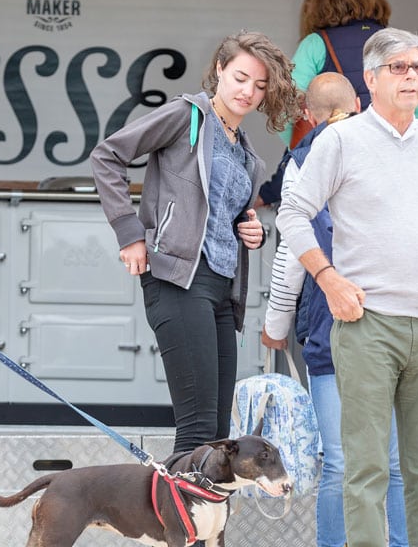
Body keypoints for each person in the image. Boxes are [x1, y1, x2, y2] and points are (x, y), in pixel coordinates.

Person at [276, 27, 418, 547]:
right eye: (398, 67)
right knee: (365, 471)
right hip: (365, 326)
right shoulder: (340, 140)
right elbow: (293, 214)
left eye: (417, 67)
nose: (411, 75)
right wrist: (328, 278)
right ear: (369, 79)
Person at [90, 31, 300, 454]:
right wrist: (130, 233)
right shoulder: (187, 116)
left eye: (260, 86)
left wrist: (250, 230)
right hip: (177, 279)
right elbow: (107, 156)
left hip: (221, 290)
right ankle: (175, 520)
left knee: (219, 435)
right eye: (241, 77)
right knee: (198, 430)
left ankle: (206, 522)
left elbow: (222, 213)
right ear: (219, 69)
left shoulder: (245, 151)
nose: (248, 92)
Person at [261, 72, 362, 547]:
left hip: (329, 324)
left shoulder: (301, 161)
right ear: (358, 102)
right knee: (391, 461)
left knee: (338, 460)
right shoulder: (385, 147)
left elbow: (291, 255)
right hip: (393, 320)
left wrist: (275, 325)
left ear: (306, 114)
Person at [283, 0, 418, 147]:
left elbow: (285, 110)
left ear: (320, 0)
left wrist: (305, 150)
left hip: (340, 158)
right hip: (392, 156)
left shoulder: (315, 44)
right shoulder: (397, 44)